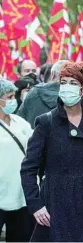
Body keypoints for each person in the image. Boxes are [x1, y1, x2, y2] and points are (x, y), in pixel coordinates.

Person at [20, 62, 83, 242]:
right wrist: (36, 205)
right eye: (64, 82)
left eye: (73, 83)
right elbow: (28, 169)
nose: (67, 88)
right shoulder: (46, 122)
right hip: (54, 205)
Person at [0, 79, 35, 242]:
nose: (14, 100)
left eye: (14, 96)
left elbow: (34, 150)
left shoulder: (20, 123)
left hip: (21, 196)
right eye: (9, 96)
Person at [17, 60, 69, 128]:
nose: (31, 74)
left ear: (52, 74)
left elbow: (18, 121)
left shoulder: (33, 92)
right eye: (27, 71)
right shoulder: (75, 98)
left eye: (33, 71)